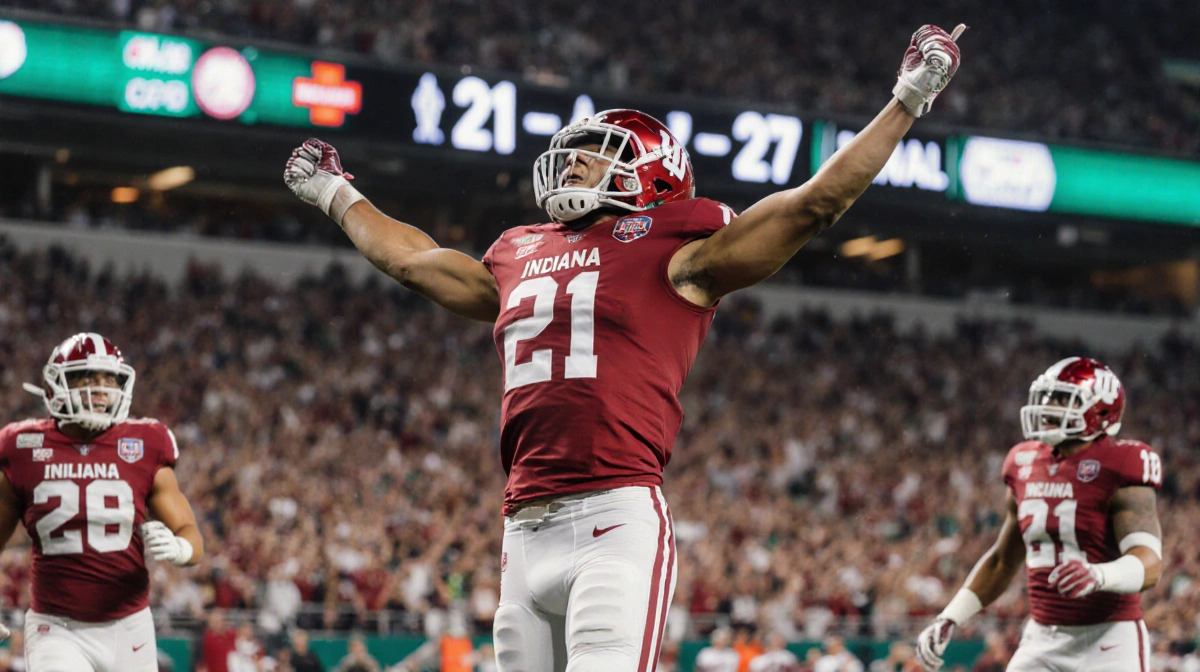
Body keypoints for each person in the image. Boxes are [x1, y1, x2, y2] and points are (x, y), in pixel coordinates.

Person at [285, 25, 964, 672]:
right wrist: (336, 192)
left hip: (613, 518)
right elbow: (417, 261)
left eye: (597, 151)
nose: (572, 162)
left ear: (653, 175)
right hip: (522, 528)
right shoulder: (522, 250)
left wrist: (906, 100)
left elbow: (813, 205)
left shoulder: (679, 252)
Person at [915, 358, 1164, 672]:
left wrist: (1100, 575)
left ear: (1100, 412)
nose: (1048, 408)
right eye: (1048, 398)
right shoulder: (1023, 461)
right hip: (1042, 638)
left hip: (1109, 639)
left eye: (1064, 400)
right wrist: (951, 616)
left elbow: (1150, 563)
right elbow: (1003, 560)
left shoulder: (1123, 462)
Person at [0, 333, 204, 672]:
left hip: (129, 625)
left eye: (109, 379)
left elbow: (190, 534)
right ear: (57, 385)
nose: (101, 388)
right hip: (57, 628)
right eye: (88, 378)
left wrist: (181, 549)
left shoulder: (145, 443)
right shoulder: (23, 446)